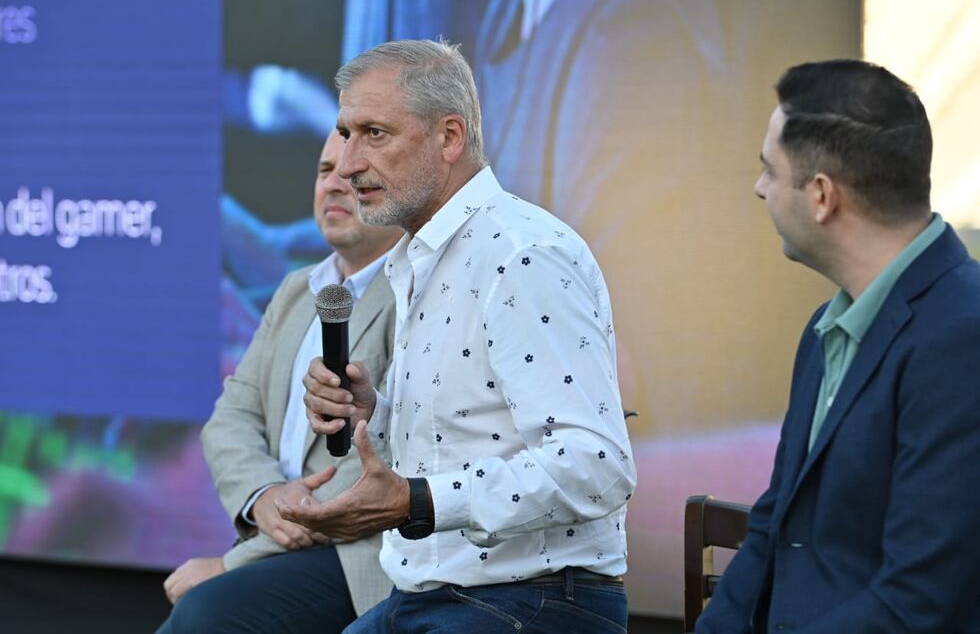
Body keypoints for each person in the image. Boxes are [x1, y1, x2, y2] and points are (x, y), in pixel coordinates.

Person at [279, 39, 636, 633]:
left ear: (449, 138)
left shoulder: (521, 256)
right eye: (345, 134)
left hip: (533, 602)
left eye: (374, 133)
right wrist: (377, 411)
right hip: (434, 595)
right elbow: (472, 433)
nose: (345, 164)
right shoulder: (423, 256)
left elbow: (596, 466)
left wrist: (417, 501)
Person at [696, 60, 980, 633]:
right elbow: (774, 526)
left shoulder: (962, 334)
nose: (759, 188)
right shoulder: (825, 326)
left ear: (822, 195)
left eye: (769, 171)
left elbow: (920, 601)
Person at [157, 129, 403, 633]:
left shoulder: (415, 295)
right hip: (280, 545)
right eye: (324, 171)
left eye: (353, 174)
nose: (334, 184)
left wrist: (230, 565)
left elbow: (379, 464)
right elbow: (231, 418)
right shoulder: (297, 289)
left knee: (205, 613)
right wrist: (262, 495)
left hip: (361, 558)